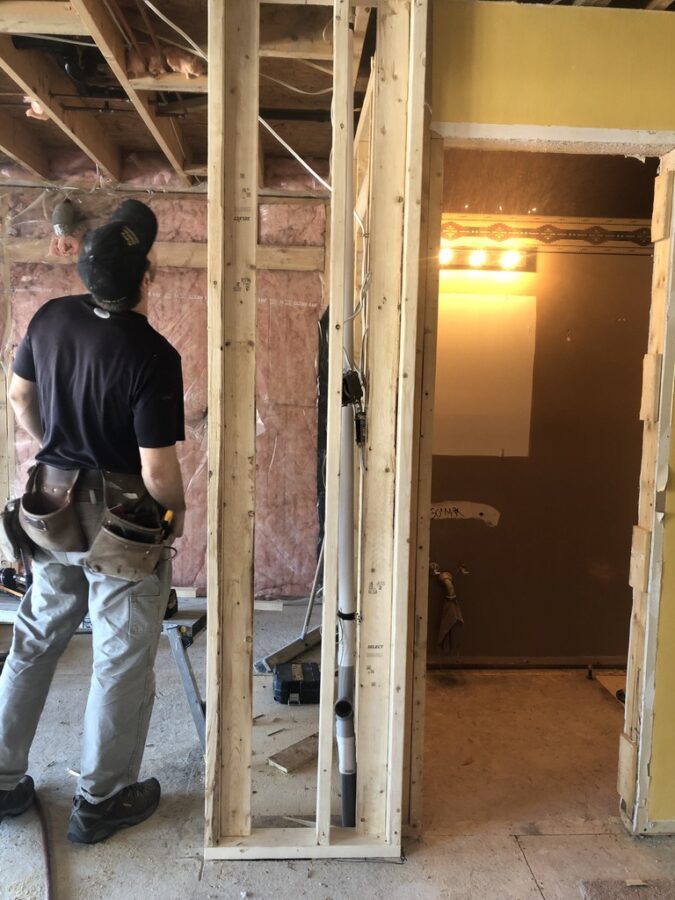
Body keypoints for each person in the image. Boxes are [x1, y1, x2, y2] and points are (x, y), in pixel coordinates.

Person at [0, 199, 186, 844]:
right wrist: (173, 519)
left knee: (34, 640)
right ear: (147, 276)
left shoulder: (49, 317)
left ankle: (1, 779)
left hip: (50, 505)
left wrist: (54, 447)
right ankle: (102, 799)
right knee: (119, 657)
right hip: (122, 521)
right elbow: (157, 470)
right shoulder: (153, 354)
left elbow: (19, 395)